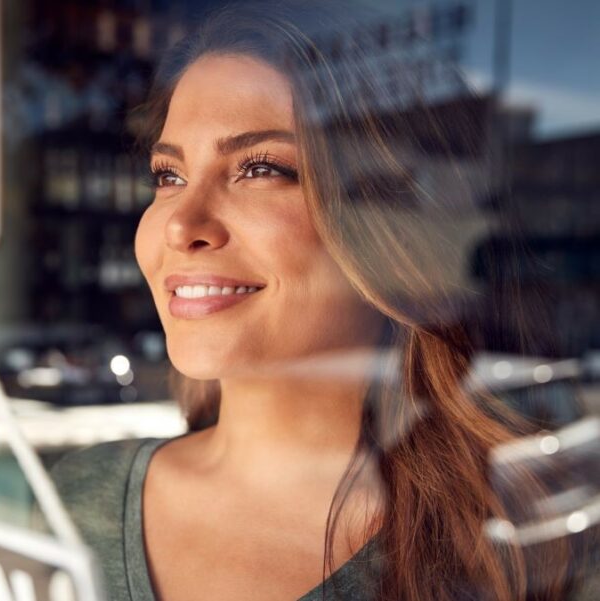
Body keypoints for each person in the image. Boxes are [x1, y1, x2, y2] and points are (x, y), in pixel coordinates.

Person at [50, 2, 600, 600]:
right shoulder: (78, 501)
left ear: (392, 228)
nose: (181, 226)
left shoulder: (528, 545)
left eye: (260, 168)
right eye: (169, 175)